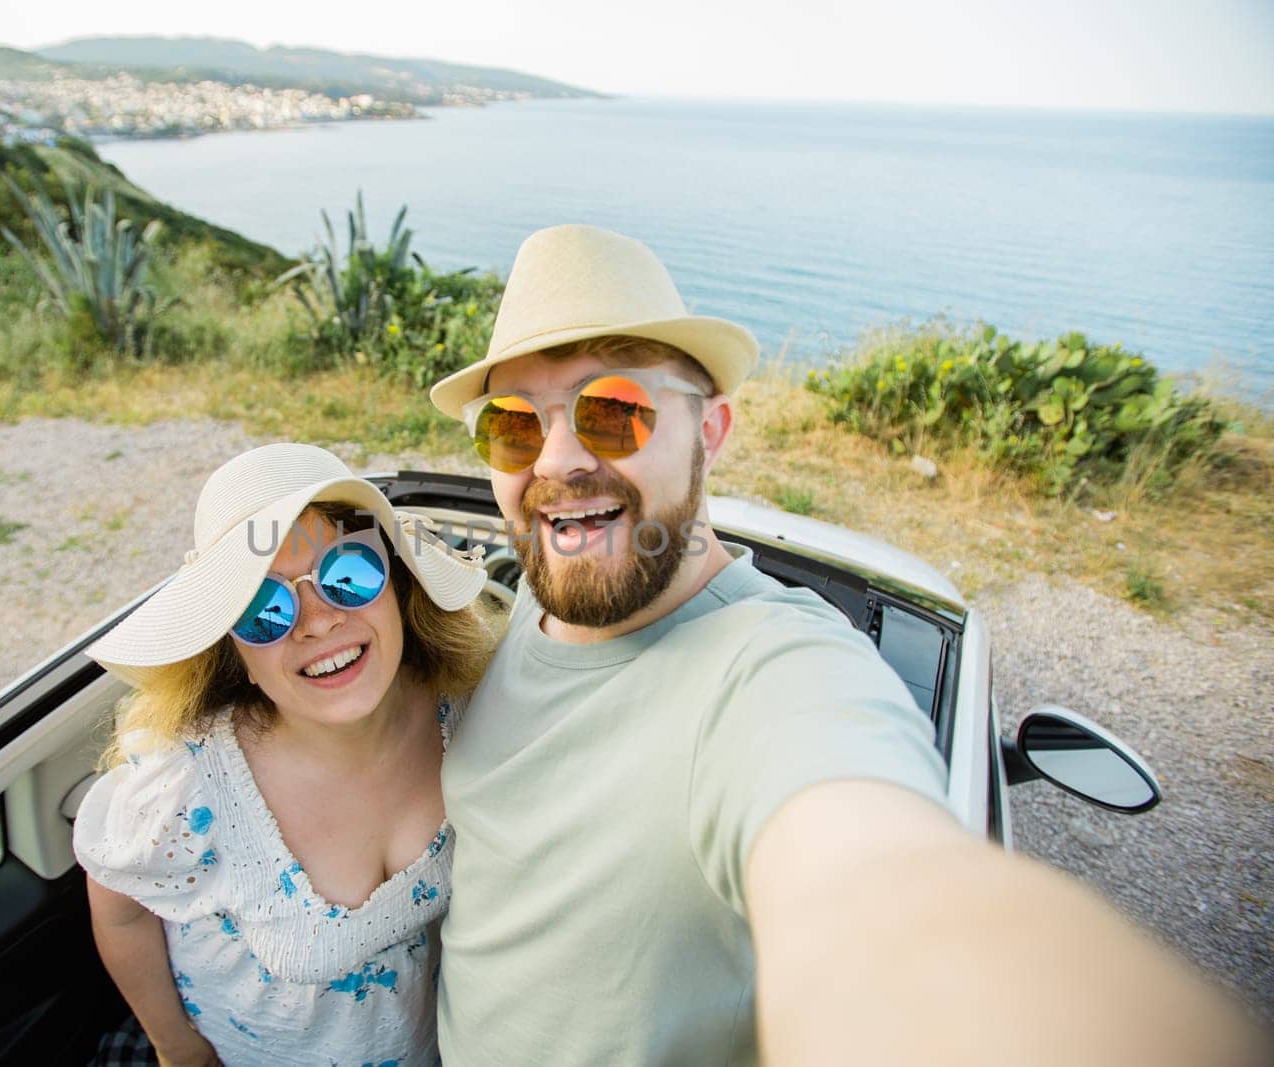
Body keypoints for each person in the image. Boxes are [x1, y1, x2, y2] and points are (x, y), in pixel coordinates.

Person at [425, 224, 1269, 1066]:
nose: (559, 460)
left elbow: (881, 895)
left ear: (711, 432)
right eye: (513, 425)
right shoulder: (512, 611)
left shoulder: (770, 669)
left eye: (615, 412)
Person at [72, 443, 495, 1067]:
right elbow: (120, 912)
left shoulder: (470, 711)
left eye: (348, 575)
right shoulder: (186, 787)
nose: (318, 623)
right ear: (230, 646)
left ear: (399, 581)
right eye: (263, 609)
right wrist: (177, 1049)